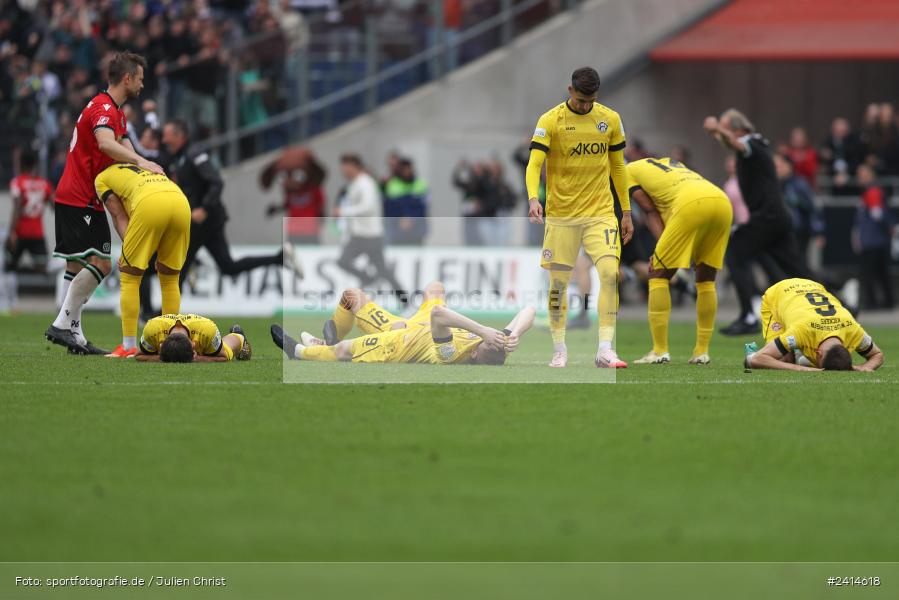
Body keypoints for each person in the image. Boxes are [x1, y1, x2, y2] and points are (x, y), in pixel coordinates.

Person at [45, 51, 164, 355]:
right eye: (139, 79)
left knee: (76, 265)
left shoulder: (116, 113)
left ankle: (74, 334)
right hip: (80, 195)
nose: (141, 85)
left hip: (79, 195)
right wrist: (140, 160)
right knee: (101, 263)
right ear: (127, 78)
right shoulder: (103, 108)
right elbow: (105, 143)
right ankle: (62, 324)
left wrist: (147, 170)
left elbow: (125, 148)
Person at [525, 66, 632, 368]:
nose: (587, 106)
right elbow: (534, 165)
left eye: (592, 100)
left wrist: (625, 211)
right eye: (582, 100)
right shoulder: (551, 120)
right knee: (558, 284)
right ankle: (559, 348)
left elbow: (619, 168)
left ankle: (605, 348)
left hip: (601, 213)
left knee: (610, 275)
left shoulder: (609, 119)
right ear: (570, 90)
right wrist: (534, 197)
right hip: (562, 215)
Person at [161, 119, 300, 290]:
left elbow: (216, 181)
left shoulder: (194, 154)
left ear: (180, 135)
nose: (164, 141)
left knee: (179, 267)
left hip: (203, 221)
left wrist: (204, 208)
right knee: (228, 267)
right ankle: (279, 258)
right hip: (205, 223)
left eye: (167, 136)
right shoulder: (177, 158)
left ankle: (164, 314)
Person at [703, 109, 807, 336]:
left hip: (767, 217)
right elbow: (732, 144)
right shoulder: (754, 144)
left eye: (726, 128)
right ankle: (841, 308)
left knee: (736, 252)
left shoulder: (752, 143)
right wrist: (719, 133)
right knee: (796, 270)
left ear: (738, 129)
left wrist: (717, 128)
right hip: (775, 218)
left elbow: (739, 145)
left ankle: (749, 315)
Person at [271, 282, 535, 366]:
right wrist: (515, 333)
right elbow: (529, 309)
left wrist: (483, 331)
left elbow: (439, 316)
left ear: (476, 352)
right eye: (497, 341)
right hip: (410, 324)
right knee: (434, 287)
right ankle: (332, 337)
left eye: (490, 343)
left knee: (343, 352)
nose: (494, 339)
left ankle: (299, 353)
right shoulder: (496, 344)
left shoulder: (451, 354)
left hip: (399, 343)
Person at [626, 157, 733, 365]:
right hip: (721, 200)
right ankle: (702, 352)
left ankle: (659, 351)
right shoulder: (669, 163)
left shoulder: (627, 171)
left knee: (658, 272)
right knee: (706, 279)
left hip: (692, 204)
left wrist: (661, 250)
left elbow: (649, 210)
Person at [94, 163, 191, 358]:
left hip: (150, 204)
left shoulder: (102, 177)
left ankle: (128, 345)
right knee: (170, 278)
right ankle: (168, 342)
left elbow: (119, 215)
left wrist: (133, 251)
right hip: (180, 201)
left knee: (129, 276)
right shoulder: (143, 163)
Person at [744, 278, 883, 372]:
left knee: (790, 356)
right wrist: (803, 369)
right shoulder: (801, 330)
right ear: (819, 353)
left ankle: (799, 354)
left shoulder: (853, 330)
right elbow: (758, 360)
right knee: (783, 359)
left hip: (815, 287)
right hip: (779, 293)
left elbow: (877, 355)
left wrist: (866, 367)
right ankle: (752, 350)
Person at [333, 154, 405, 296]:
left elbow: (368, 207)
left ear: (352, 166)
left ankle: (368, 279)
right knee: (382, 270)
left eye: (344, 168)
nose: (342, 171)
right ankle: (404, 300)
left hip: (369, 235)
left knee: (344, 262)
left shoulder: (365, 183)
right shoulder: (355, 184)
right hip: (361, 234)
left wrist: (343, 211)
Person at [260, 146, 326, 244]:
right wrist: (276, 208)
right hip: (293, 229)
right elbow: (288, 205)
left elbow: (320, 204)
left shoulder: (313, 189)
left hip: (310, 228)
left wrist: (321, 217)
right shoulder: (290, 192)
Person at [852, 164, 895, 310]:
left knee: (870, 273)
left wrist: (889, 227)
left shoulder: (872, 192)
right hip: (875, 239)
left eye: (863, 175)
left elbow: (878, 215)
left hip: (873, 240)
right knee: (881, 272)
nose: (860, 178)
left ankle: (874, 303)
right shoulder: (870, 192)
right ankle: (887, 301)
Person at [774, 153, 826, 269]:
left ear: (789, 166)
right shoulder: (777, 185)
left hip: (799, 231)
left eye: (779, 166)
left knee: (799, 264)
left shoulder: (799, 184)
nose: (776, 169)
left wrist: (818, 232)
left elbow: (813, 208)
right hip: (783, 232)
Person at [6, 150, 52, 274]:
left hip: (19, 233)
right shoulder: (44, 184)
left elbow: (17, 207)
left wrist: (11, 232)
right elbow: (54, 205)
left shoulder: (17, 182)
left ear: (20, 164)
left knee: (8, 267)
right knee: (42, 268)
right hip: (37, 234)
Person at [136, 314, 252, 362]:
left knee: (231, 351)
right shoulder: (152, 330)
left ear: (193, 345)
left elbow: (223, 357)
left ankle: (238, 335)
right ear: (160, 346)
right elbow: (138, 355)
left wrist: (199, 359)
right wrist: (160, 358)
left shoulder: (207, 331)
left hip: (203, 337)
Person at [383, 158, 428, 245]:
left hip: (416, 229)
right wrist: (401, 219)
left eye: (409, 169)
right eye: (404, 169)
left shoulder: (421, 184)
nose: (407, 172)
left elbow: (423, 207)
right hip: (397, 229)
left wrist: (411, 219)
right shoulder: (393, 185)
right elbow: (390, 208)